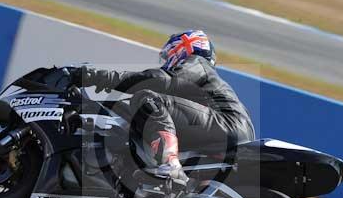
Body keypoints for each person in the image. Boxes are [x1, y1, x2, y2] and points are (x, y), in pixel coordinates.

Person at [74, 30, 255, 183]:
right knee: (140, 111)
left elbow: (159, 79)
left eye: (168, 55)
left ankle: (170, 165)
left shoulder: (197, 63)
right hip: (228, 130)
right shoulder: (198, 81)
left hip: (228, 125)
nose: (166, 61)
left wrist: (98, 77)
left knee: (148, 99)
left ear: (183, 48)